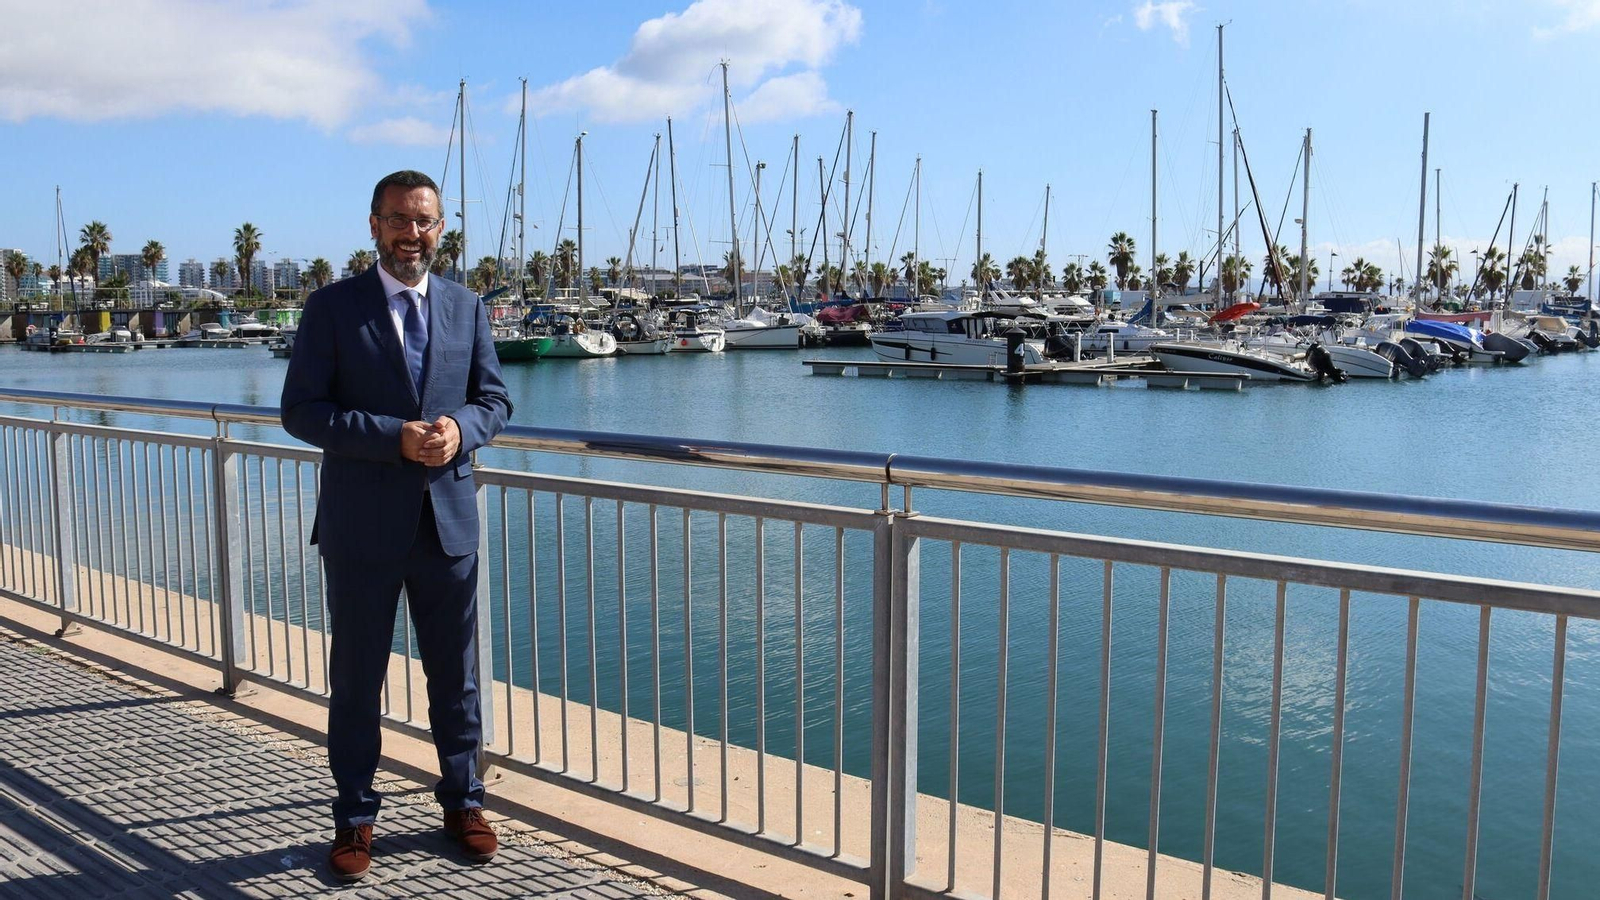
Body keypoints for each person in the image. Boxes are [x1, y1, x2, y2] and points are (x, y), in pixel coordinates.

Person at [280, 170, 513, 883]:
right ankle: (354, 818)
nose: (413, 234)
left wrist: (457, 429)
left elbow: (495, 401)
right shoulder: (331, 309)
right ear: (374, 224)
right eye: (400, 221)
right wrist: (394, 438)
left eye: (426, 222)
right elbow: (302, 411)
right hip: (361, 530)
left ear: (441, 228)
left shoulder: (466, 306)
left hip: (447, 526)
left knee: (458, 679)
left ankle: (464, 801)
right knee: (356, 681)